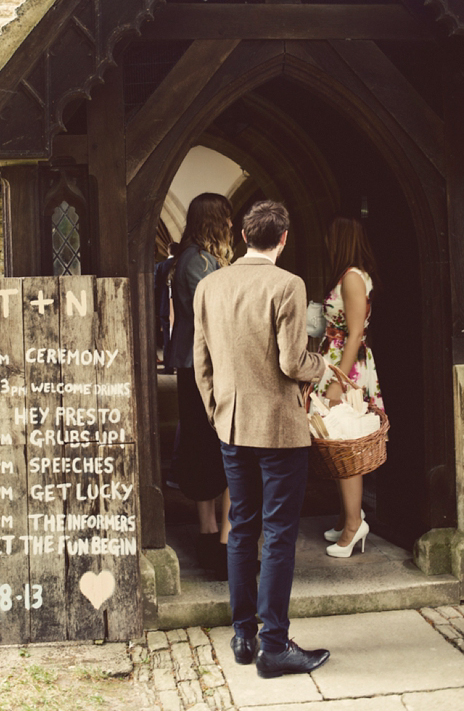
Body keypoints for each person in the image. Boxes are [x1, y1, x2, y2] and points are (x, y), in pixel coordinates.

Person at [193, 199, 330, 678]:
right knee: (278, 536)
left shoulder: (210, 284)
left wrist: (217, 413)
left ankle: (243, 637)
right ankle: (274, 645)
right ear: (283, 238)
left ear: (244, 237)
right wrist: (324, 365)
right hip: (278, 429)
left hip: (232, 425)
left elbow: (201, 362)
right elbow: (293, 363)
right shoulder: (287, 284)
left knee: (243, 529)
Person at [168, 193, 232, 579]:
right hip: (202, 367)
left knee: (207, 445)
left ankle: (215, 536)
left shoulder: (200, 258)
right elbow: (219, 310)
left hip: (203, 364)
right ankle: (213, 538)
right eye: (225, 218)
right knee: (209, 446)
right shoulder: (197, 261)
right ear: (213, 220)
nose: (230, 224)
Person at [314, 216, 385, 558]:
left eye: (330, 238)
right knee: (339, 443)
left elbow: (354, 333)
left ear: (340, 240)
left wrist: (339, 384)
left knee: (346, 446)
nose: (326, 244)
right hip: (338, 364)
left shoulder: (352, 278)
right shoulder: (348, 276)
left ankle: (355, 526)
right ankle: (347, 518)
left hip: (347, 370)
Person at [154, 242, 178, 374]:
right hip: (179, 307)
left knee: (167, 338)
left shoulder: (161, 266)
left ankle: (168, 366)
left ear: (168, 251)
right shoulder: (180, 265)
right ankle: (179, 365)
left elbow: (156, 288)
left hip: (164, 307)